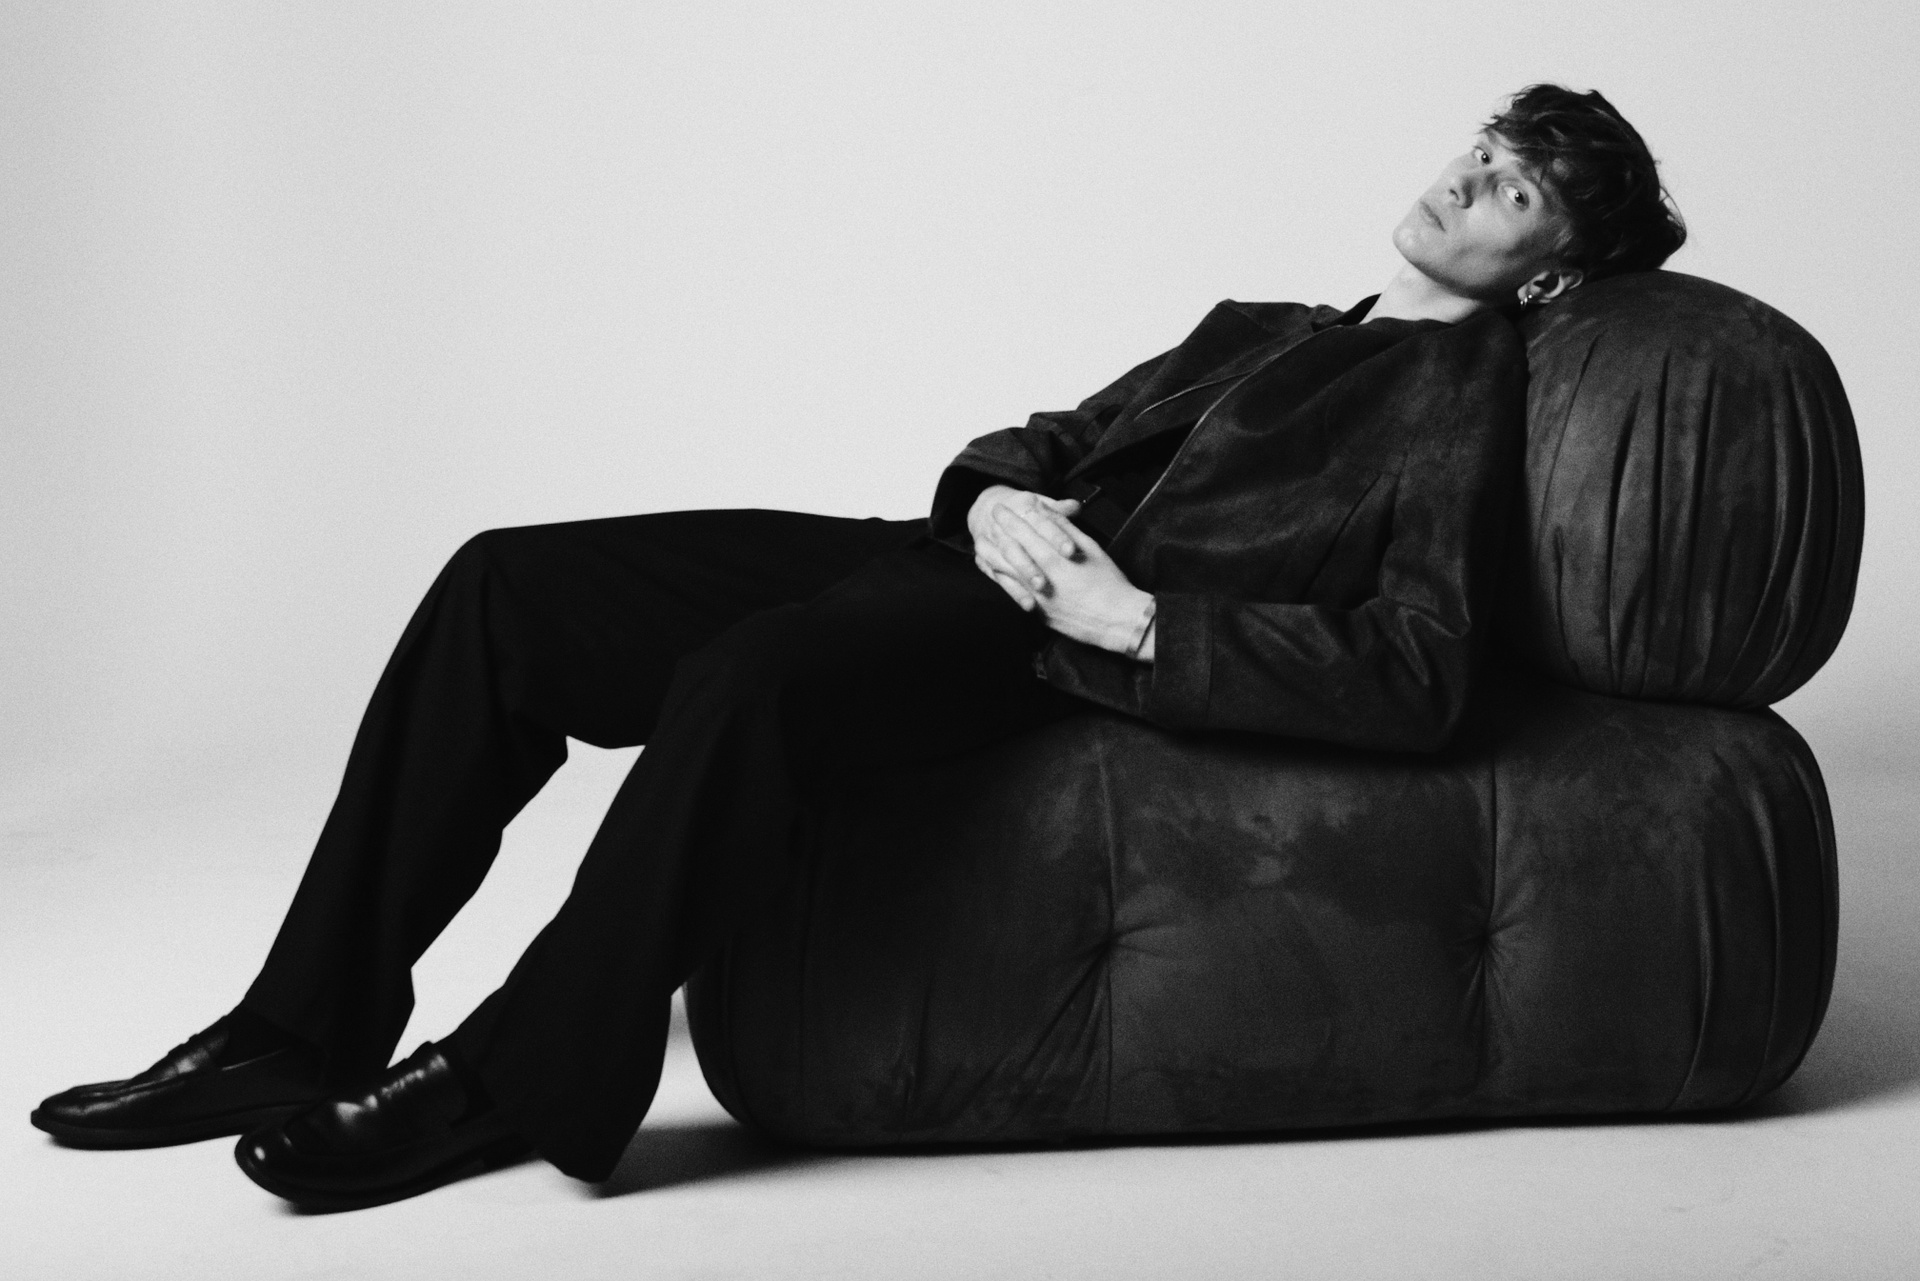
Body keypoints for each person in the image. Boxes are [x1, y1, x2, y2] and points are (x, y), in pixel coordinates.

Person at [31, 84, 1686, 1211]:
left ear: (1552, 277)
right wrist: (988, 495)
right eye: (1484, 146)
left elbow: (1420, 669)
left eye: (1517, 187)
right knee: (506, 590)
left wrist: (1138, 620)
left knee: (746, 681)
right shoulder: (1268, 325)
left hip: (1041, 647)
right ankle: (300, 1022)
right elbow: (1049, 433)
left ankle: (514, 1076)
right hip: (942, 558)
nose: (1468, 177)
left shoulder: (1456, 405)